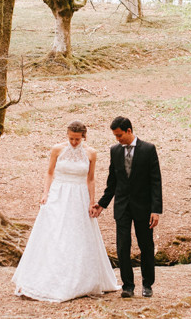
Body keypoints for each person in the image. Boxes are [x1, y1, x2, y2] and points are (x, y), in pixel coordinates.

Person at [12, 121, 120, 302]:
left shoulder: (91, 153)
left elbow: (91, 179)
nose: (74, 142)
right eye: (71, 138)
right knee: (55, 233)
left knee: (77, 234)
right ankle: (48, 276)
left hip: (79, 195)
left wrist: (92, 202)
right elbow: (49, 172)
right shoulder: (57, 149)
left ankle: (79, 278)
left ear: (83, 137)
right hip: (58, 194)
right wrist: (45, 193)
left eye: (77, 139)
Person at [90, 116, 162, 298]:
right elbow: (112, 182)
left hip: (143, 207)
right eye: (115, 136)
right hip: (122, 207)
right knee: (123, 246)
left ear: (129, 131)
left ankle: (147, 284)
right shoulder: (114, 151)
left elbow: (156, 182)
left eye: (119, 135)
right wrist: (102, 204)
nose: (117, 139)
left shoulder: (148, 149)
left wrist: (156, 210)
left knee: (145, 245)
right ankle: (127, 286)